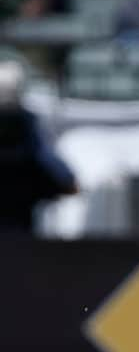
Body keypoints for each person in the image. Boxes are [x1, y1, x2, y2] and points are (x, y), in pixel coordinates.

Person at [0, 59, 78, 233]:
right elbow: (48, 160)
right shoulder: (28, 121)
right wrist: (67, 181)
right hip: (18, 215)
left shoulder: (27, 122)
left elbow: (46, 158)